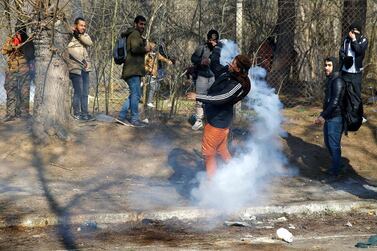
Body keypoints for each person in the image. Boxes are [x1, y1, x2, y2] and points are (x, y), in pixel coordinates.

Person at [187, 41, 252, 177]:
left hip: (218, 122)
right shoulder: (227, 73)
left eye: (234, 63)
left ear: (239, 69)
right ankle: (237, 175)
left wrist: (198, 96)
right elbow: (215, 64)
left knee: (208, 154)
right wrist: (216, 47)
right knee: (221, 150)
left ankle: (212, 187)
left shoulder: (237, 84)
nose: (230, 63)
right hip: (216, 119)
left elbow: (220, 98)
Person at [118, 15, 152, 127]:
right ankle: (134, 119)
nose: (142, 26)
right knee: (136, 95)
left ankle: (122, 117)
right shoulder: (134, 34)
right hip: (132, 71)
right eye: (140, 24)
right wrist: (146, 49)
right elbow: (134, 49)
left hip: (133, 70)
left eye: (144, 24)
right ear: (135, 24)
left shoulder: (136, 35)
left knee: (134, 94)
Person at [315, 57, 345, 177]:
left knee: (333, 145)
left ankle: (335, 173)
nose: (326, 67)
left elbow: (335, 101)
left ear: (335, 66)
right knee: (329, 144)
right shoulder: (331, 79)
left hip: (336, 117)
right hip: (330, 117)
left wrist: (323, 116)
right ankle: (338, 166)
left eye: (329, 65)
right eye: (325, 65)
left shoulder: (337, 80)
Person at [1, 25, 35, 122]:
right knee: (11, 92)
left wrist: (25, 44)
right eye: (18, 30)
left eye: (22, 30)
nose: (19, 33)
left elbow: (32, 54)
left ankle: (24, 114)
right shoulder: (10, 39)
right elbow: (3, 51)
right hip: (12, 69)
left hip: (25, 70)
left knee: (25, 93)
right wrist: (13, 44)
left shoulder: (28, 40)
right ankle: (10, 114)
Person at [190, 29, 219, 130]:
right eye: (211, 39)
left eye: (215, 40)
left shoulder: (220, 49)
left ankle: (210, 121)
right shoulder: (202, 47)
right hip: (202, 75)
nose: (213, 42)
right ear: (208, 39)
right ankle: (198, 120)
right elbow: (193, 58)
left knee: (212, 99)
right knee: (200, 98)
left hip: (214, 77)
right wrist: (201, 61)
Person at [67, 17, 94, 121]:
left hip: (85, 68)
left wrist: (79, 36)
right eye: (81, 25)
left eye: (84, 25)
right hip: (75, 67)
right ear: (75, 25)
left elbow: (89, 43)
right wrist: (82, 60)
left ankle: (85, 113)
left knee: (85, 92)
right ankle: (76, 113)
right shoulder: (70, 35)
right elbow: (70, 49)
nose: (83, 27)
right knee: (78, 91)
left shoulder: (84, 35)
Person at [339, 21, 368, 100]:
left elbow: (359, 51)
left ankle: (357, 112)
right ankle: (345, 112)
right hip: (345, 71)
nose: (353, 32)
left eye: (355, 30)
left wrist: (354, 39)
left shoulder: (363, 40)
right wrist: (344, 58)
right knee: (344, 94)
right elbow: (341, 51)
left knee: (356, 95)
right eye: (352, 30)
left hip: (356, 72)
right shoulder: (346, 39)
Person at [144, 42, 173, 108]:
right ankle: (149, 102)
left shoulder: (156, 54)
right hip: (149, 74)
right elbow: (144, 65)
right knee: (152, 87)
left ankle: (153, 100)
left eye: (155, 47)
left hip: (155, 73)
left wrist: (167, 61)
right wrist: (149, 69)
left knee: (158, 86)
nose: (154, 48)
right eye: (153, 47)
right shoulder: (146, 56)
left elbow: (162, 58)